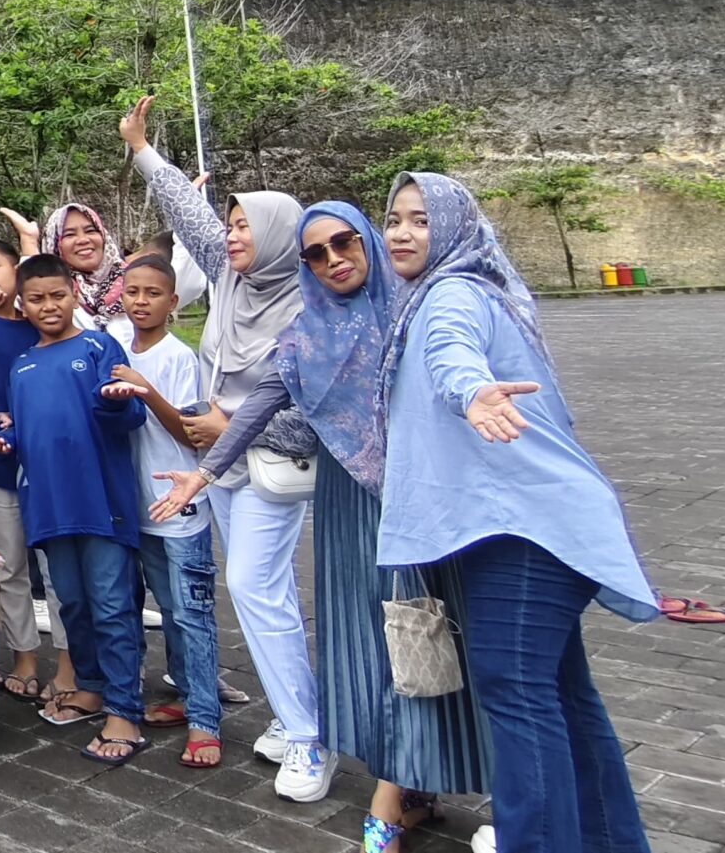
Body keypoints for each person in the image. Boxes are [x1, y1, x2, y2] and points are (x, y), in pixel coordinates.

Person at [153, 201, 492, 851]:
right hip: (347, 504)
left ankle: (401, 794)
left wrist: (477, 399)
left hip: (418, 499)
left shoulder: (413, 311)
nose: (334, 258)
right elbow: (260, 406)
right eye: (317, 252)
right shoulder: (307, 333)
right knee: (369, 644)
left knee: (426, 636)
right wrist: (203, 473)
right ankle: (407, 784)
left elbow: (455, 370)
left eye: (345, 243)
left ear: (366, 240)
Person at [381, 173, 656, 853]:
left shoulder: (451, 294)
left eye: (421, 219)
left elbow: (452, 351)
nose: (403, 232)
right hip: (527, 522)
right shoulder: (470, 292)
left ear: (453, 228)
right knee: (562, 695)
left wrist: (472, 391)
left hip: (523, 529)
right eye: (394, 218)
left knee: (516, 690)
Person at [118, 95, 330, 801]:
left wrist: (225, 427)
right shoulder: (233, 278)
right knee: (265, 596)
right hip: (221, 467)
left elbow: (311, 419)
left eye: (247, 226)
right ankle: (299, 712)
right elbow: (189, 214)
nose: (233, 235)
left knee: (251, 587)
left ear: (278, 234)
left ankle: (308, 736)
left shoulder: (307, 308)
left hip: (270, 466)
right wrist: (142, 149)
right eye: (232, 224)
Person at [0, 254, 147, 766]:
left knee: (112, 605)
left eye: (57, 295)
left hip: (101, 503)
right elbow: (31, 429)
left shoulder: (99, 345)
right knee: (72, 605)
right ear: (22, 304)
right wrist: (3, 438)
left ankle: (126, 709)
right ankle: (92, 687)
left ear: (74, 292)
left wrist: (115, 399)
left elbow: (129, 412)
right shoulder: (22, 364)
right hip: (49, 508)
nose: (48, 306)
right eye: (37, 299)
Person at [101, 255, 224, 769]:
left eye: (154, 293)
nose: (142, 301)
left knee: (191, 613)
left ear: (173, 302)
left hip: (179, 506)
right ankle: (185, 696)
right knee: (161, 610)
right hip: (133, 508)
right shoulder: (113, 349)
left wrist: (143, 389)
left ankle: (207, 719)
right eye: (133, 292)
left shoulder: (178, 357)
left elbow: (188, 433)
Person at [0, 239, 77, 706]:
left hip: (51, 470)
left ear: (17, 272)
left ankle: (68, 661)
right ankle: (24, 655)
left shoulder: (46, 327)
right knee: (11, 568)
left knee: (59, 567)